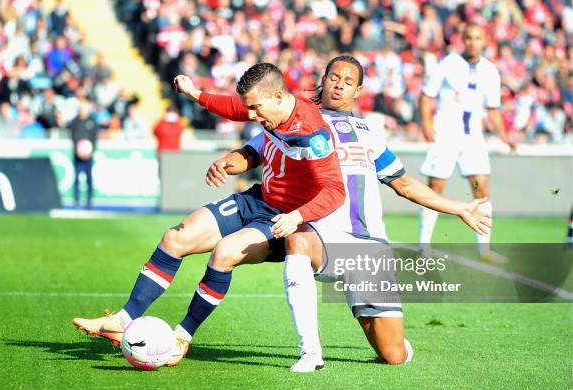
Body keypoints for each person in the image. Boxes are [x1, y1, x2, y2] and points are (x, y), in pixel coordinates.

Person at [189, 55, 492, 371]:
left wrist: (459, 208)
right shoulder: (293, 118)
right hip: (321, 236)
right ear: (324, 78)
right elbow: (251, 138)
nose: (339, 86)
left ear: (358, 91)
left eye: (348, 82)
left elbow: (403, 184)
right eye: (334, 77)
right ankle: (310, 354)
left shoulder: (369, 132)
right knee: (298, 239)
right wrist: (225, 153)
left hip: (369, 247)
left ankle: (385, 330)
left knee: (392, 354)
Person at [72, 63, 345, 367]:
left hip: (286, 219)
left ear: (278, 96)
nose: (251, 115)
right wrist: (194, 93)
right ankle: (123, 319)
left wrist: (297, 216)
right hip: (258, 199)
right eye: (250, 107)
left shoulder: (312, 133)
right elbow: (234, 108)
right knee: (177, 237)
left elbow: (336, 190)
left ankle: (182, 337)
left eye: (255, 108)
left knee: (224, 252)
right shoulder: (268, 107)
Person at [418, 23, 516, 261]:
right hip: (446, 134)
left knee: (480, 189)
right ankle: (424, 246)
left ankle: (484, 249)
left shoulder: (490, 71)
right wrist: (427, 124)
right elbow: (426, 94)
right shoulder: (449, 63)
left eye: (478, 38)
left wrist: (505, 136)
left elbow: (493, 109)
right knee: (435, 188)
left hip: (473, 136)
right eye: (469, 38)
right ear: (463, 40)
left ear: (485, 41)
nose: (473, 42)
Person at [70, 98, 98, 209]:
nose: (83, 111)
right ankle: (76, 200)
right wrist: (78, 150)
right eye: (81, 109)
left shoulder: (92, 122)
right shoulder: (75, 121)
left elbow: (94, 138)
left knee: (89, 178)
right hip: (78, 155)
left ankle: (89, 200)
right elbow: (73, 137)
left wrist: (91, 151)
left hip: (89, 156)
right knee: (76, 177)